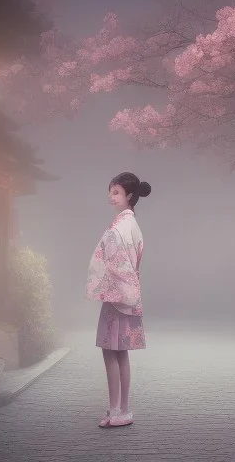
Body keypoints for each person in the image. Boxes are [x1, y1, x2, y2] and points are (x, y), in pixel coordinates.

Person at [85, 172, 151, 428]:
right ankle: (123, 409)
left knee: (111, 353)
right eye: (111, 191)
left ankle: (115, 412)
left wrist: (110, 286)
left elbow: (113, 262)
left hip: (117, 295)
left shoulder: (120, 226)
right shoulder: (132, 225)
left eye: (116, 192)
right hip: (128, 293)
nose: (111, 197)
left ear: (130, 196)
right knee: (120, 353)